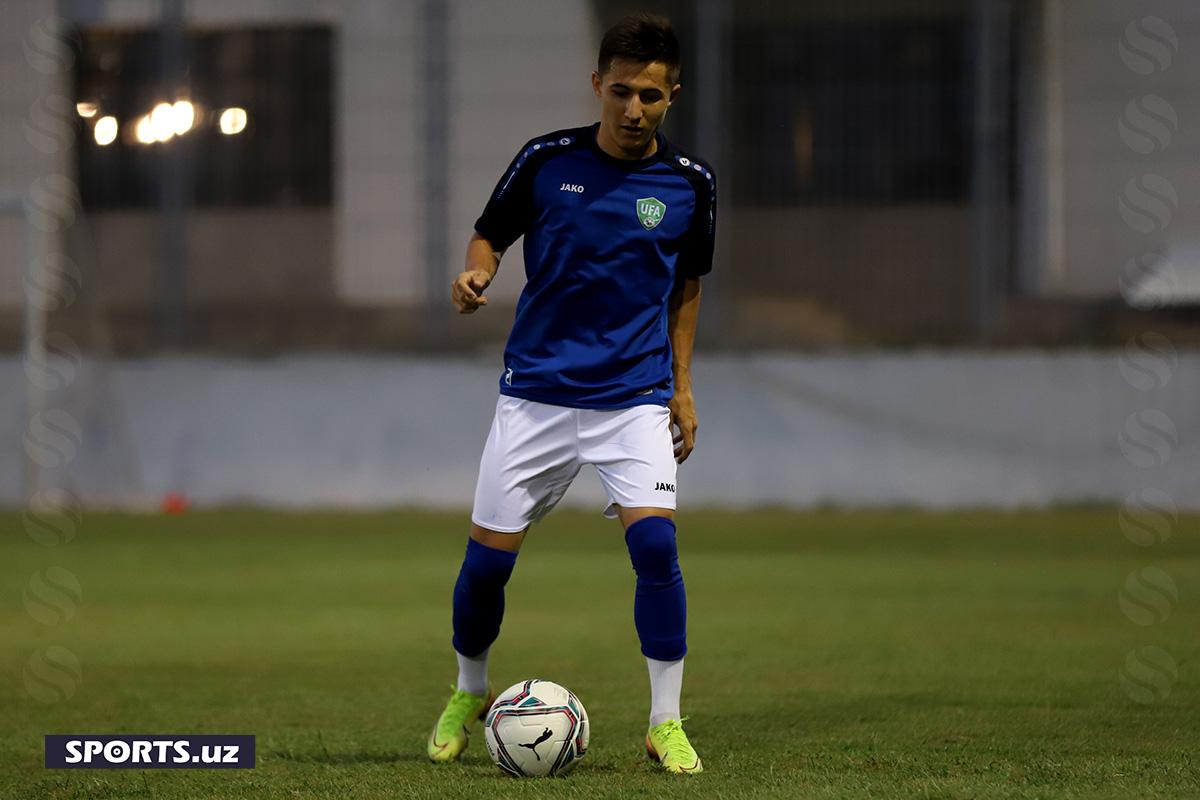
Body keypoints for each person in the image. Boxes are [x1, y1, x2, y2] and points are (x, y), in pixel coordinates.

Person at [426, 12, 714, 775]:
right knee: (487, 566)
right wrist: (477, 273)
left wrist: (682, 389)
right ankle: (470, 689)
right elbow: (489, 231)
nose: (632, 110)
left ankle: (665, 721)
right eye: (620, 92)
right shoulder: (547, 160)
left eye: (650, 97)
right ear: (597, 84)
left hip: (635, 399)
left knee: (656, 546)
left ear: (672, 95)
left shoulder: (690, 185)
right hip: (537, 397)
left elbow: (686, 288)